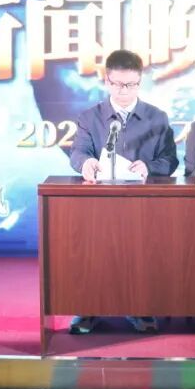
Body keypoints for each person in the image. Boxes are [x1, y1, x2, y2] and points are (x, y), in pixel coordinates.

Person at [67, 49, 179, 334]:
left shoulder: (157, 118)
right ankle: (88, 309)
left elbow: (170, 160)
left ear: (140, 82)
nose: (124, 91)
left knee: (142, 255)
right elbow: (78, 152)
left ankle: (140, 308)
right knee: (93, 254)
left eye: (131, 84)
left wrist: (150, 167)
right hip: (99, 204)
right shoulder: (90, 117)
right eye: (117, 84)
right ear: (107, 81)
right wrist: (86, 163)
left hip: (144, 205)